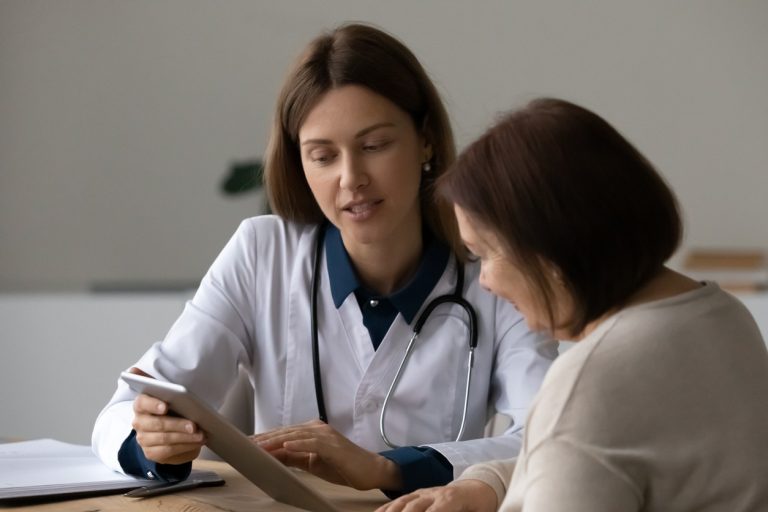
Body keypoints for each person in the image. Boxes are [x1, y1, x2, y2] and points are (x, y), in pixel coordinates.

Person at [91, 24, 557, 496]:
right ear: (299, 163)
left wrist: (387, 470)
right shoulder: (262, 253)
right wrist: (149, 444)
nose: (351, 178)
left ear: (427, 141)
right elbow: (122, 412)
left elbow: (547, 442)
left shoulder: (494, 273)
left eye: (374, 146)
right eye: (322, 156)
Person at [378, 98, 768, 511]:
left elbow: (589, 440)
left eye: (486, 253)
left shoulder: (593, 378)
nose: (486, 281)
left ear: (550, 252)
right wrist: (488, 483)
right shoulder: (722, 314)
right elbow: (608, 456)